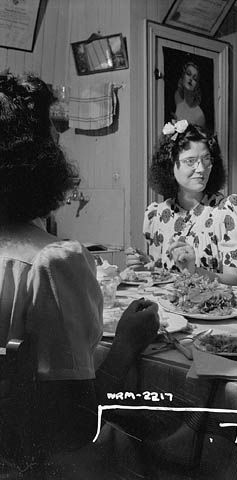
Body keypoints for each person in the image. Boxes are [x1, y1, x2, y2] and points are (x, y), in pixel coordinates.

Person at [0, 73, 159, 475]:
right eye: (54, 139)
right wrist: (125, 345)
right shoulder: (52, 262)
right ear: (36, 162)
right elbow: (76, 419)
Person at [131, 119, 237, 285]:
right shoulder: (158, 214)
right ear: (170, 165)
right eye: (190, 161)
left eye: (206, 159)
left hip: (213, 308)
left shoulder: (226, 212)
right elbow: (160, 274)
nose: (201, 169)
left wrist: (194, 271)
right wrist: (143, 265)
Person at [173, 61, 206, 128]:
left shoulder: (199, 115)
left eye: (195, 79)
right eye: (188, 74)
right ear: (183, 76)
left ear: (197, 85)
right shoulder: (177, 97)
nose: (191, 79)